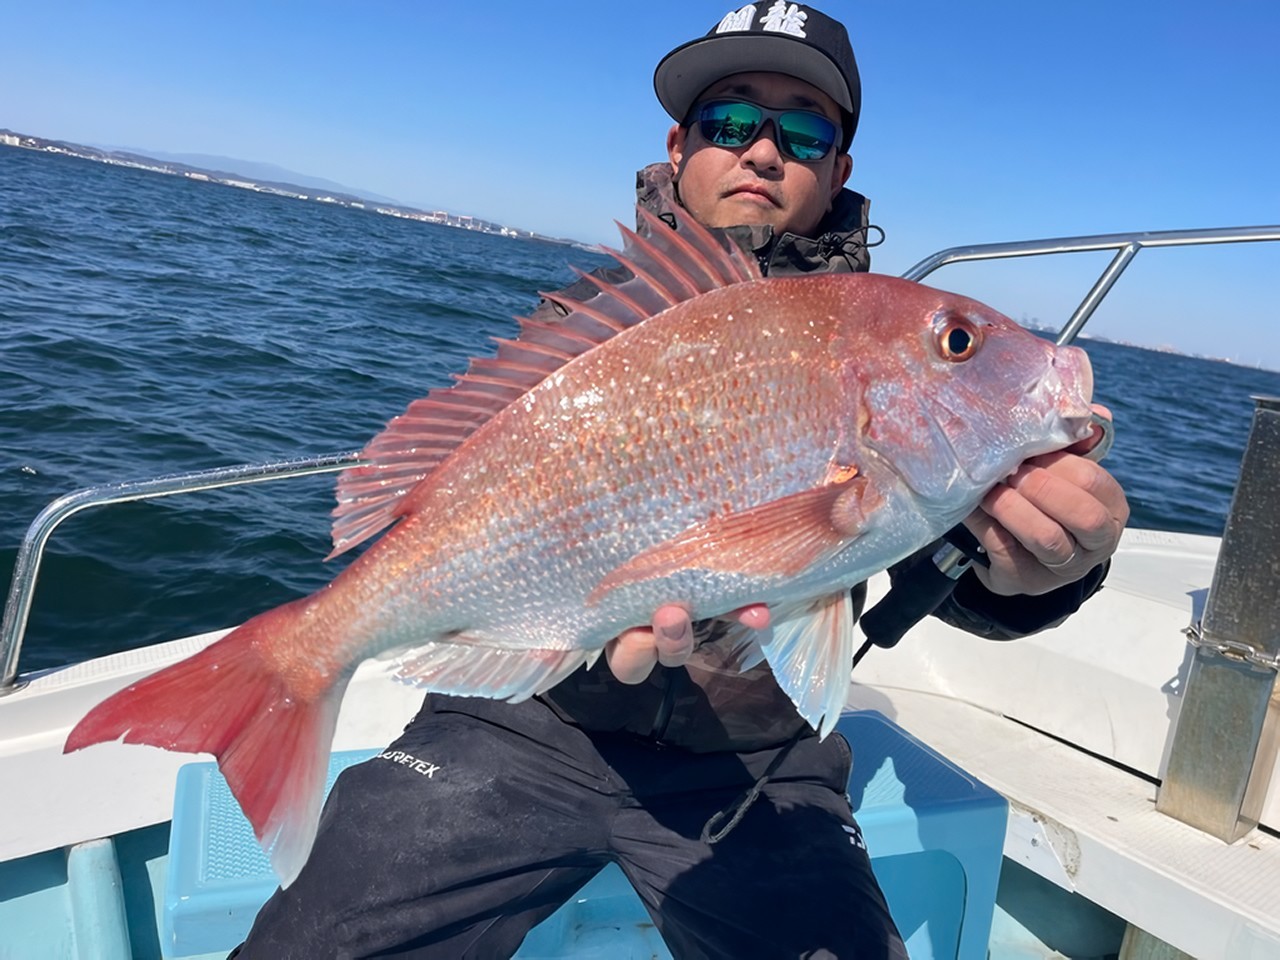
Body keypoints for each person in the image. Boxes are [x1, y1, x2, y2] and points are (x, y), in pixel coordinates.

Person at [233, 4, 1129, 957]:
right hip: (525, 718)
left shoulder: (873, 328)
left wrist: (1042, 567)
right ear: (680, 143)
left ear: (839, 167)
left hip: (757, 760)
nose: (761, 150)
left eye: (805, 127)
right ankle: (300, 661)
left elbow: (947, 565)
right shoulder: (591, 325)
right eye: (729, 121)